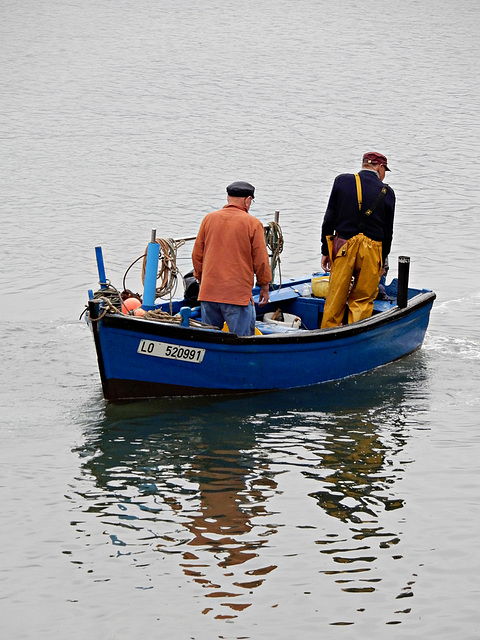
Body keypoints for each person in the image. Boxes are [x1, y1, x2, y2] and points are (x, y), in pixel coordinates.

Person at [320, 152, 396, 328]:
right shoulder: (388, 192)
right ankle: (354, 334)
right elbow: (388, 233)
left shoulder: (342, 181)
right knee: (362, 299)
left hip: (343, 246)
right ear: (380, 167)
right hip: (372, 250)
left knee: (335, 296)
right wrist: (382, 261)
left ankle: (328, 333)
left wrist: (325, 250)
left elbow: (328, 220)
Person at [192, 181, 272, 336]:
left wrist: (201, 279)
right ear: (248, 200)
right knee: (242, 341)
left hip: (209, 293)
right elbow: (261, 260)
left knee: (209, 340)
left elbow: (196, 255)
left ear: (228, 198)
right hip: (237, 296)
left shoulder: (208, 219)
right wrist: (264, 285)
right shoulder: (253, 223)